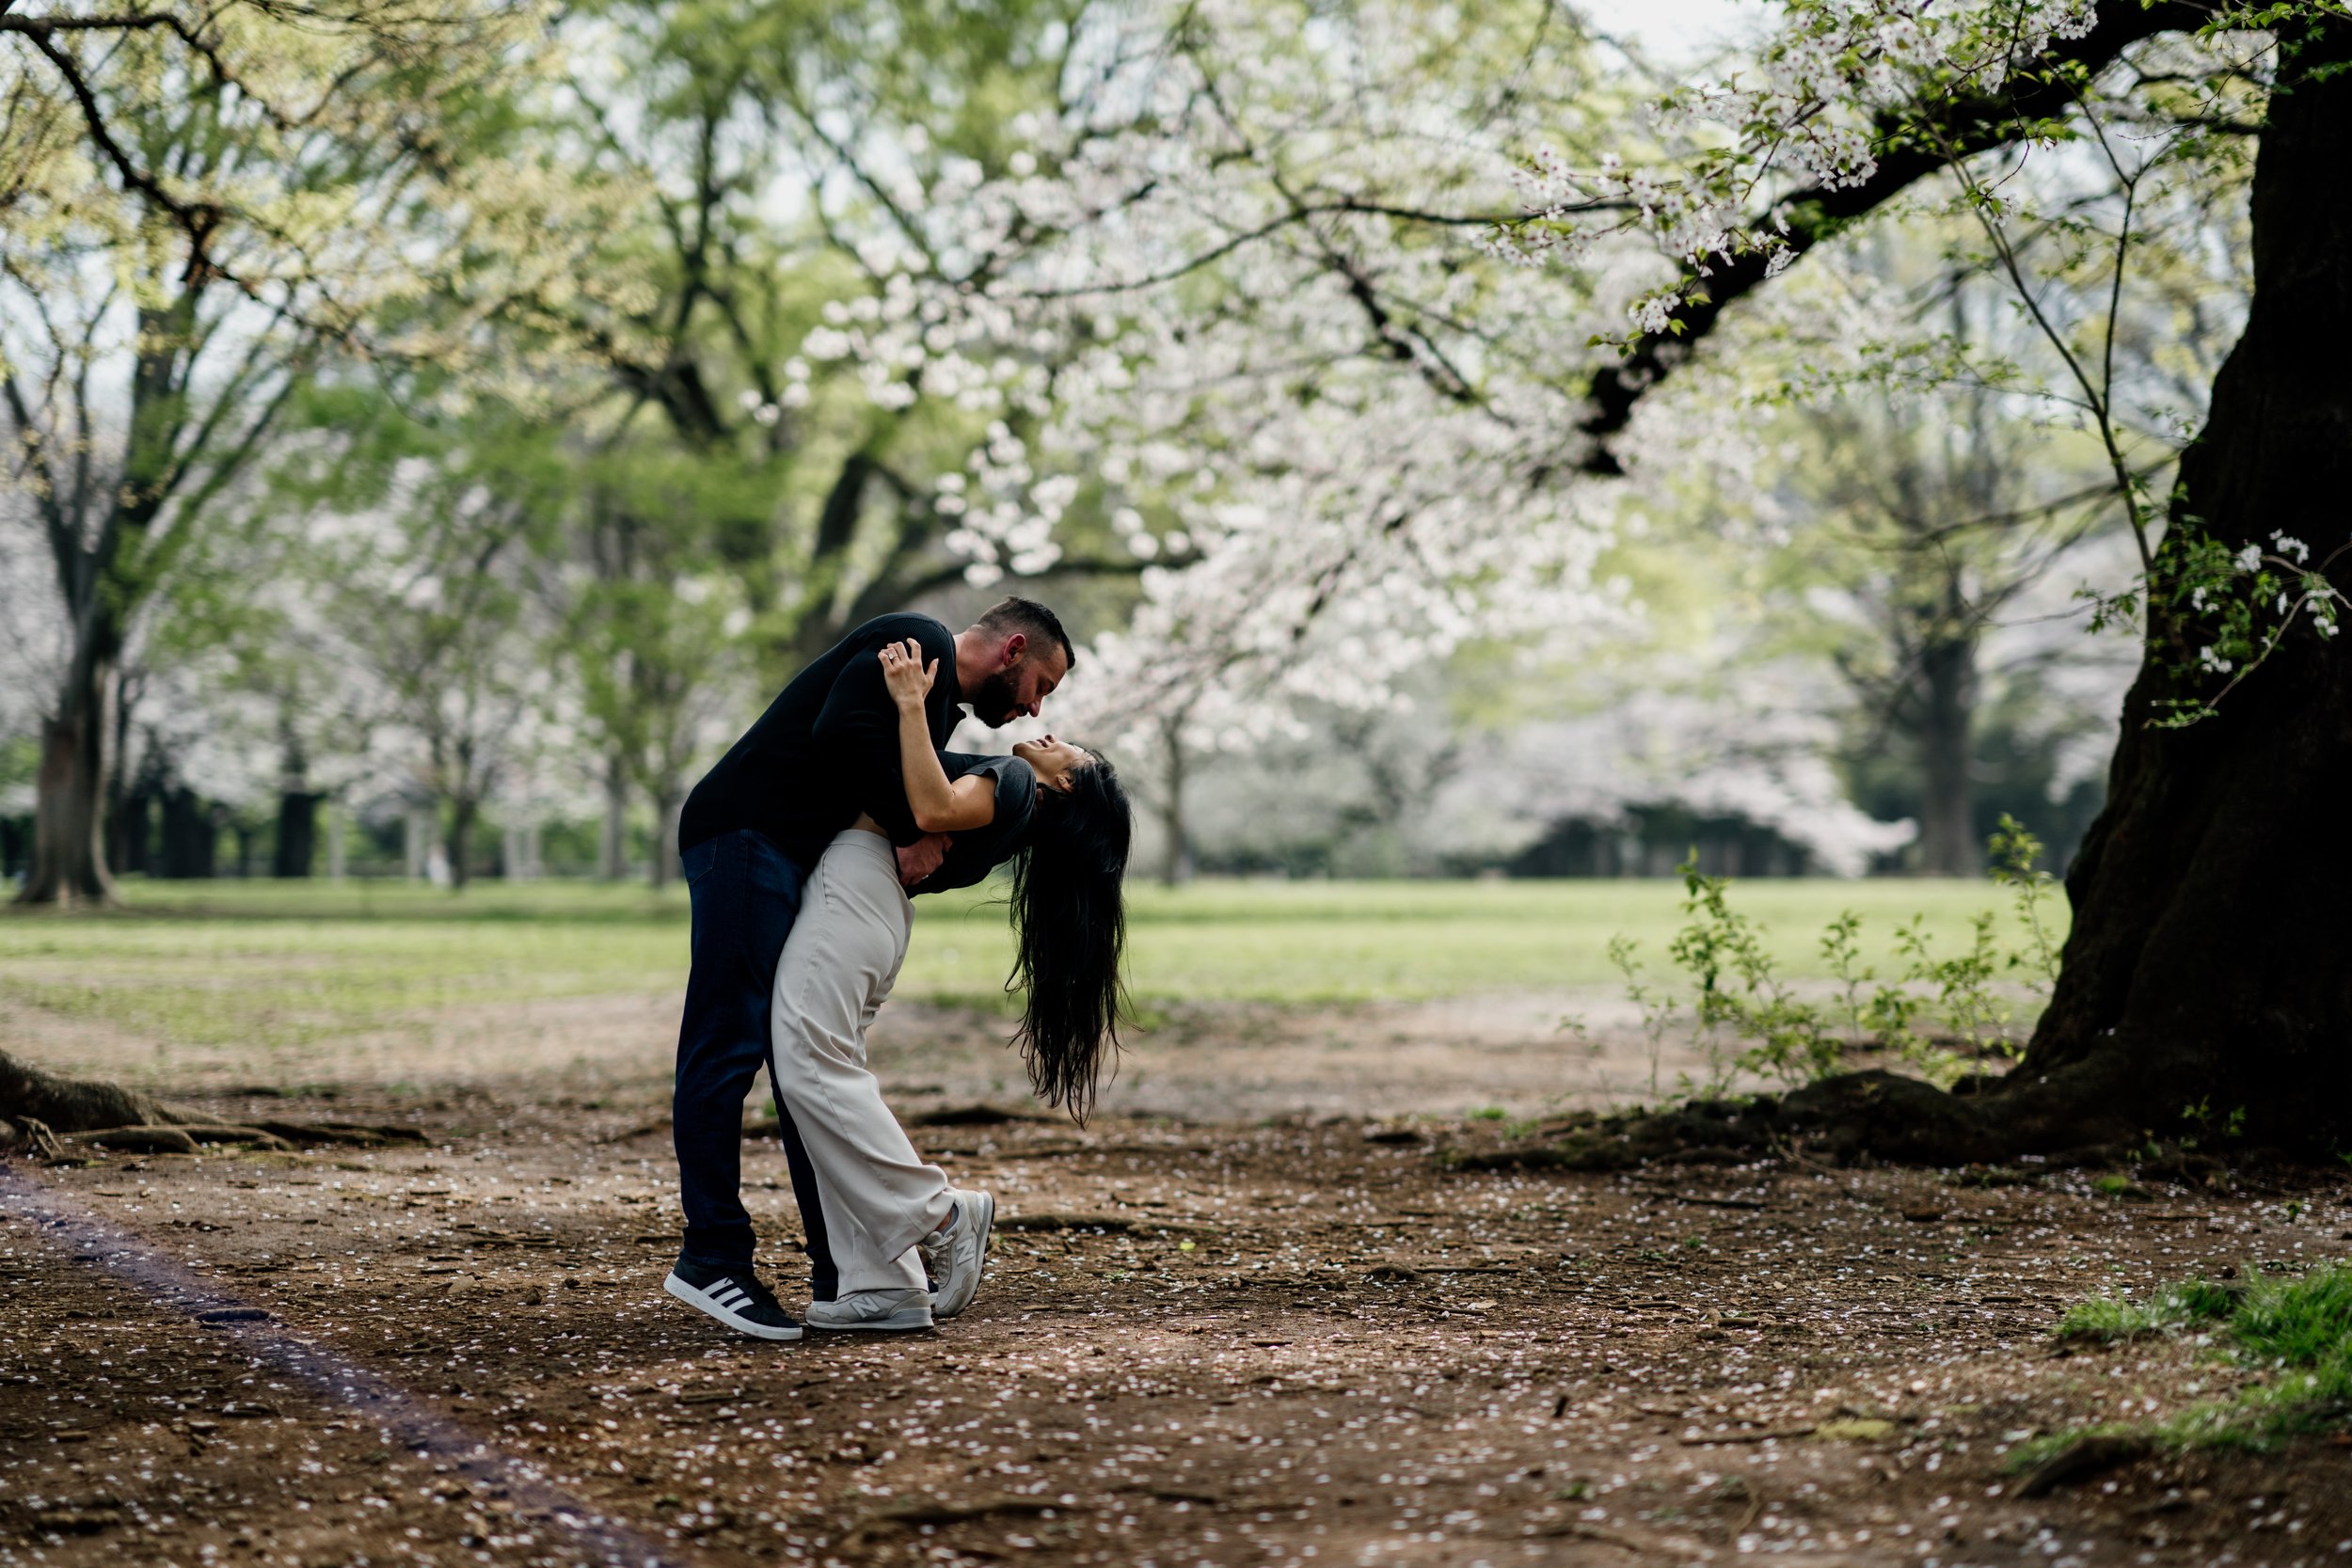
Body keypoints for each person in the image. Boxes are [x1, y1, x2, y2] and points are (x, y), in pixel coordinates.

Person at [660, 600, 1073, 1343]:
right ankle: (712, 1256)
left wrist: (921, 823)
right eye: (1040, 683)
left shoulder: (937, 705)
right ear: (1013, 648)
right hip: (747, 833)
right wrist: (918, 825)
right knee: (727, 1046)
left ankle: (847, 1274)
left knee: (799, 1071)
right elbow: (842, 734)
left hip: (792, 854)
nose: (1033, 709)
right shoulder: (914, 643)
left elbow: (894, 785)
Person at [755, 636, 1133, 1332]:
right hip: (871, 906)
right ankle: (886, 1283)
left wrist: (907, 703)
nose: (1048, 729)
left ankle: (943, 1213)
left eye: (1068, 748)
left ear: (1067, 784)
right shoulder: (1015, 807)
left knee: (809, 1068)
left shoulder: (1017, 783)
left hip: (856, 890)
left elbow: (928, 808)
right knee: (822, 1077)